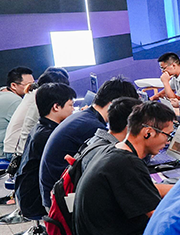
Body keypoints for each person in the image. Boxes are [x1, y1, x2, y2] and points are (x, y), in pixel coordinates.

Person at [73, 102, 173, 235]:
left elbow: (149, 189)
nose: (168, 142)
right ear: (148, 132)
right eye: (167, 135)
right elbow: (160, 218)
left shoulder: (114, 151)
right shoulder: (127, 165)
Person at [40, 76, 138, 209]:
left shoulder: (85, 117)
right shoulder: (92, 128)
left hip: (55, 193)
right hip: (62, 203)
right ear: (113, 105)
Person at [15, 83, 75, 221]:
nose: (73, 110)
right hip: (36, 201)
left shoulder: (41, 128)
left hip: (27, 193)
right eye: (70, 105)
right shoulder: (49, 136)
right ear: (56, 107)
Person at [4, 68, 69, 157]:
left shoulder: (34, 93)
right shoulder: (38, 98)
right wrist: (21, 156)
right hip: (15, 151)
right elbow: (27, 129)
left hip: (17, 148)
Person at [0, 67, 34, 158]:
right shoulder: (15, 101)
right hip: (4, 153)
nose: (32, 89)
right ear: (14, 85)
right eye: (29, 85)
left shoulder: (3, 92)